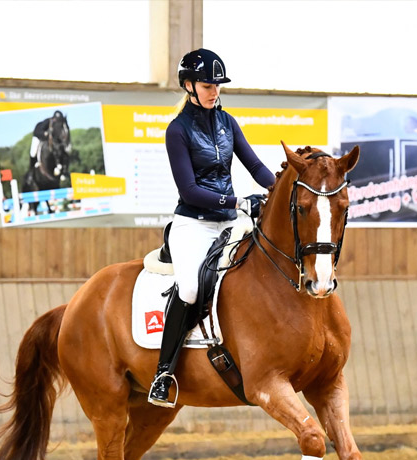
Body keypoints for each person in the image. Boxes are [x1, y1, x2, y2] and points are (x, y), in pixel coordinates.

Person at [148, 48, 275, 407]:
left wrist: (280, 186)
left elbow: (254, 165)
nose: (214, 91)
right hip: (193, 224)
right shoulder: (177, 131)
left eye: (217, 85)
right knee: (189, 288)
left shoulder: (227, 122)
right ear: (189, 85)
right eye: (207, 85)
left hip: (229, 224)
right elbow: (189, 189)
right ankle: (162, 372)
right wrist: (237, 202)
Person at [28, 110, 67, 174]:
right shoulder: (47, 122)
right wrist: (44, 133)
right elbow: (37, 132)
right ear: (54, 119)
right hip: (38, 136)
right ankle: (31, 169)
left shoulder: (58, 126)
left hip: (47, 140)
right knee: (33, 152)